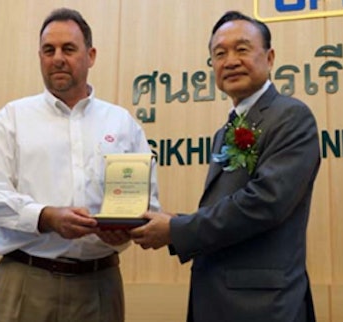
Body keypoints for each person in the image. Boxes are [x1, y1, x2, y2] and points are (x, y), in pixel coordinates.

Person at [131, 10, 319, 322]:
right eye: (219, 53)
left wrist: (176, 230)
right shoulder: (226, 130)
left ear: (270, 57)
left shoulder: (291, 117)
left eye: (242, 49)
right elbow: (228, 206)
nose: (230, 60)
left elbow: (265, 203)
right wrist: (174, 222)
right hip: (217, 301)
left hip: (263, 307)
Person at [0, 8, 159, 322]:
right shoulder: (11, 119)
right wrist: (46, 217)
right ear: (40, 56)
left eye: (68, 49)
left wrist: (124, 229)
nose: (57, 58)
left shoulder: (122, 124)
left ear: (91, 55)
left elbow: (147, 203)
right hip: (25, 282)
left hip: (100, 285)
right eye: (49, 50)